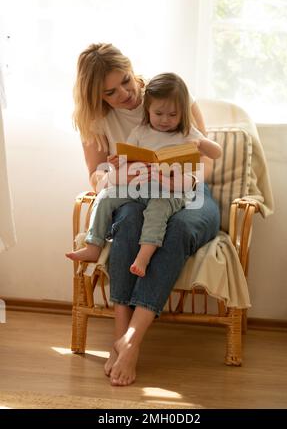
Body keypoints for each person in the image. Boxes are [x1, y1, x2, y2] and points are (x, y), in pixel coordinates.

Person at [70, 43, 220, 386]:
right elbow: (95, 176)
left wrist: (185, 179)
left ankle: (132, 341)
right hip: (137, 195)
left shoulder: (167, 93)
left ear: (131, 68)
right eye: (111, 92)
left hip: (190, 194)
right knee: (128, 222)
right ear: (97, 95)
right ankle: (120, 339)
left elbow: (205, 156)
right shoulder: (96, 120)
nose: (125, 94)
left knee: (178, 228)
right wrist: (118, 175)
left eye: (125, 81)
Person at [66, 73, 222, 278]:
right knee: (105, 197)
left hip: (168, 191)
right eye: (159, 114)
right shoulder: (141, 131)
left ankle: (143, 256)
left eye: (173, 115)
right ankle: (93, 244)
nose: (165, 120)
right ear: (147, 111)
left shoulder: (187, 133)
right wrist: (117, 162)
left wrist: (202, 144)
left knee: (156, 213)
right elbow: (128, 158)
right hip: (140, 187)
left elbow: (216, 153)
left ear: (182, 113)